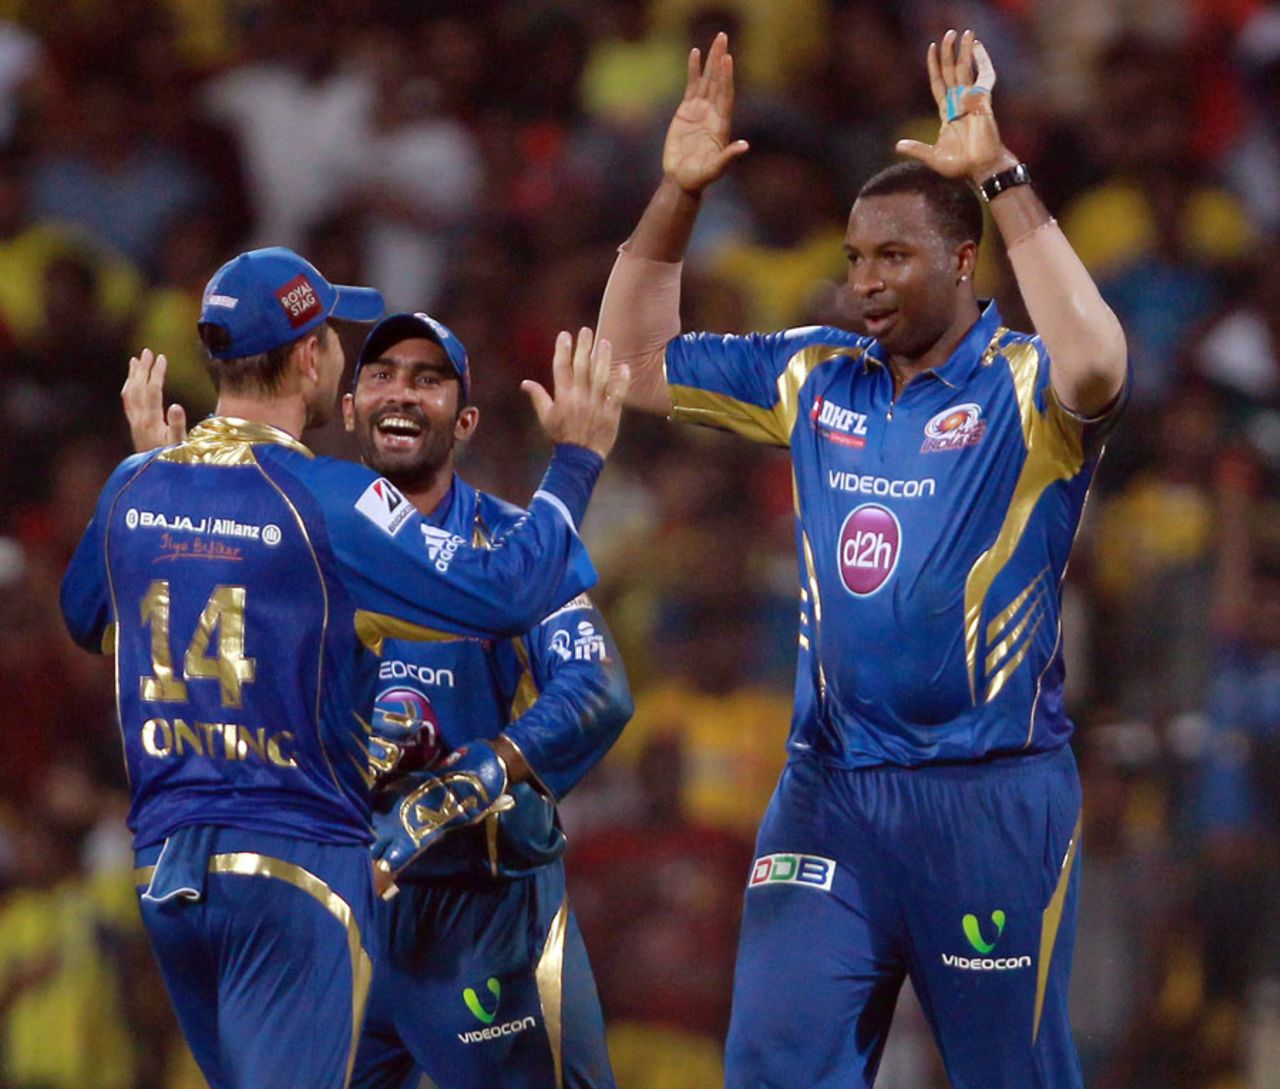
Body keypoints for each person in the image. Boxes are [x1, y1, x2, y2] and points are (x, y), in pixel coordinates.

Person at [595, 30, 1128, 1089]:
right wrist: (678, 196)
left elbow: (1100, 363)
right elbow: (629, 361)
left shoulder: (1026, 388)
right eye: (853, 260)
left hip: (987, 795)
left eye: (893, 257)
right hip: (828, 788)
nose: (863, 283)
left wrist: (998, 175)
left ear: (963, 260)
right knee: (771, 1066)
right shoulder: (816, 375)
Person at [61, 246, 628, 1089]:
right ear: (311, 360)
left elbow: (89, 618)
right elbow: (512, 588)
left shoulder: (136, 481)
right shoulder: (333, 501)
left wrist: (163, 488)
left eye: (428, 378)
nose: (391, 386)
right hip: (300, 870)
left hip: (173, 869)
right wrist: (577, 458)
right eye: (344, 345)